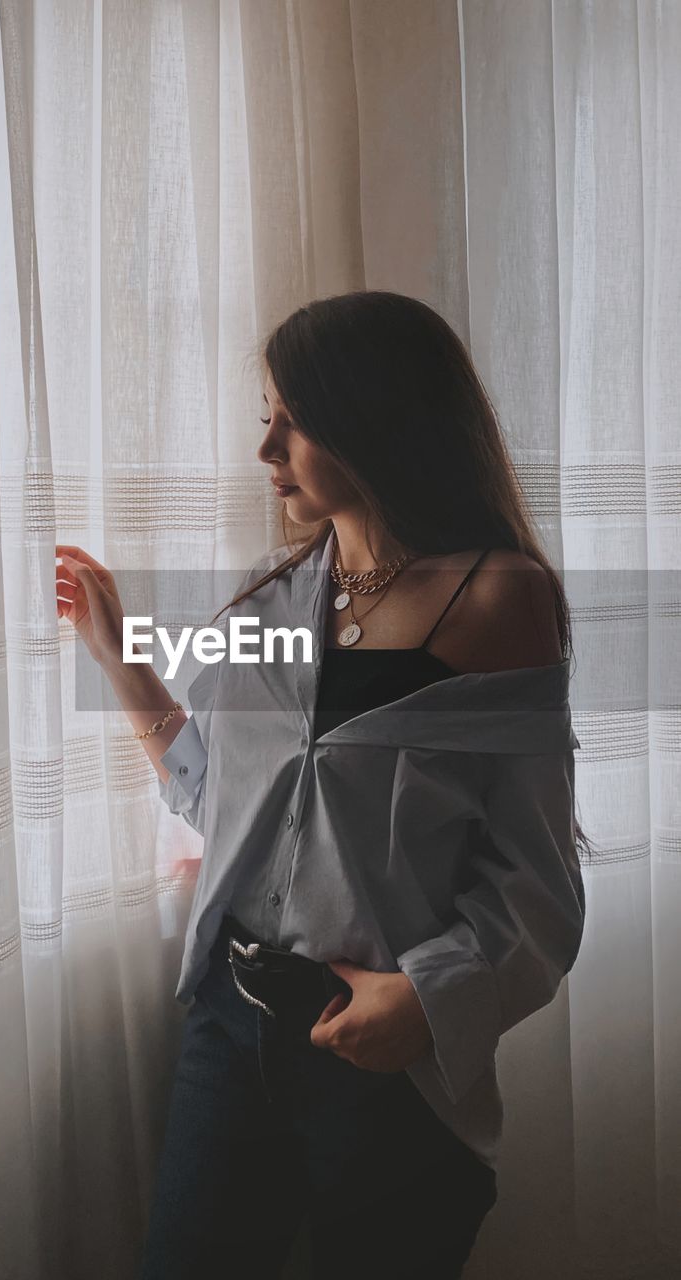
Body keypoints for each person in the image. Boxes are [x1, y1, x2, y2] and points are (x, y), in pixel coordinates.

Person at [55, 291, 591, 1279]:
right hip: (231, 1016)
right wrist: (115, 653)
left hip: (380, 1055)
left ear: (372, 417)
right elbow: (223, 800)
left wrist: (425, 1001)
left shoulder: (494, 598)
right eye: (265, 415)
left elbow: (534, 880)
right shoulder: (274, 592)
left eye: (289, 420)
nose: (265, 450)